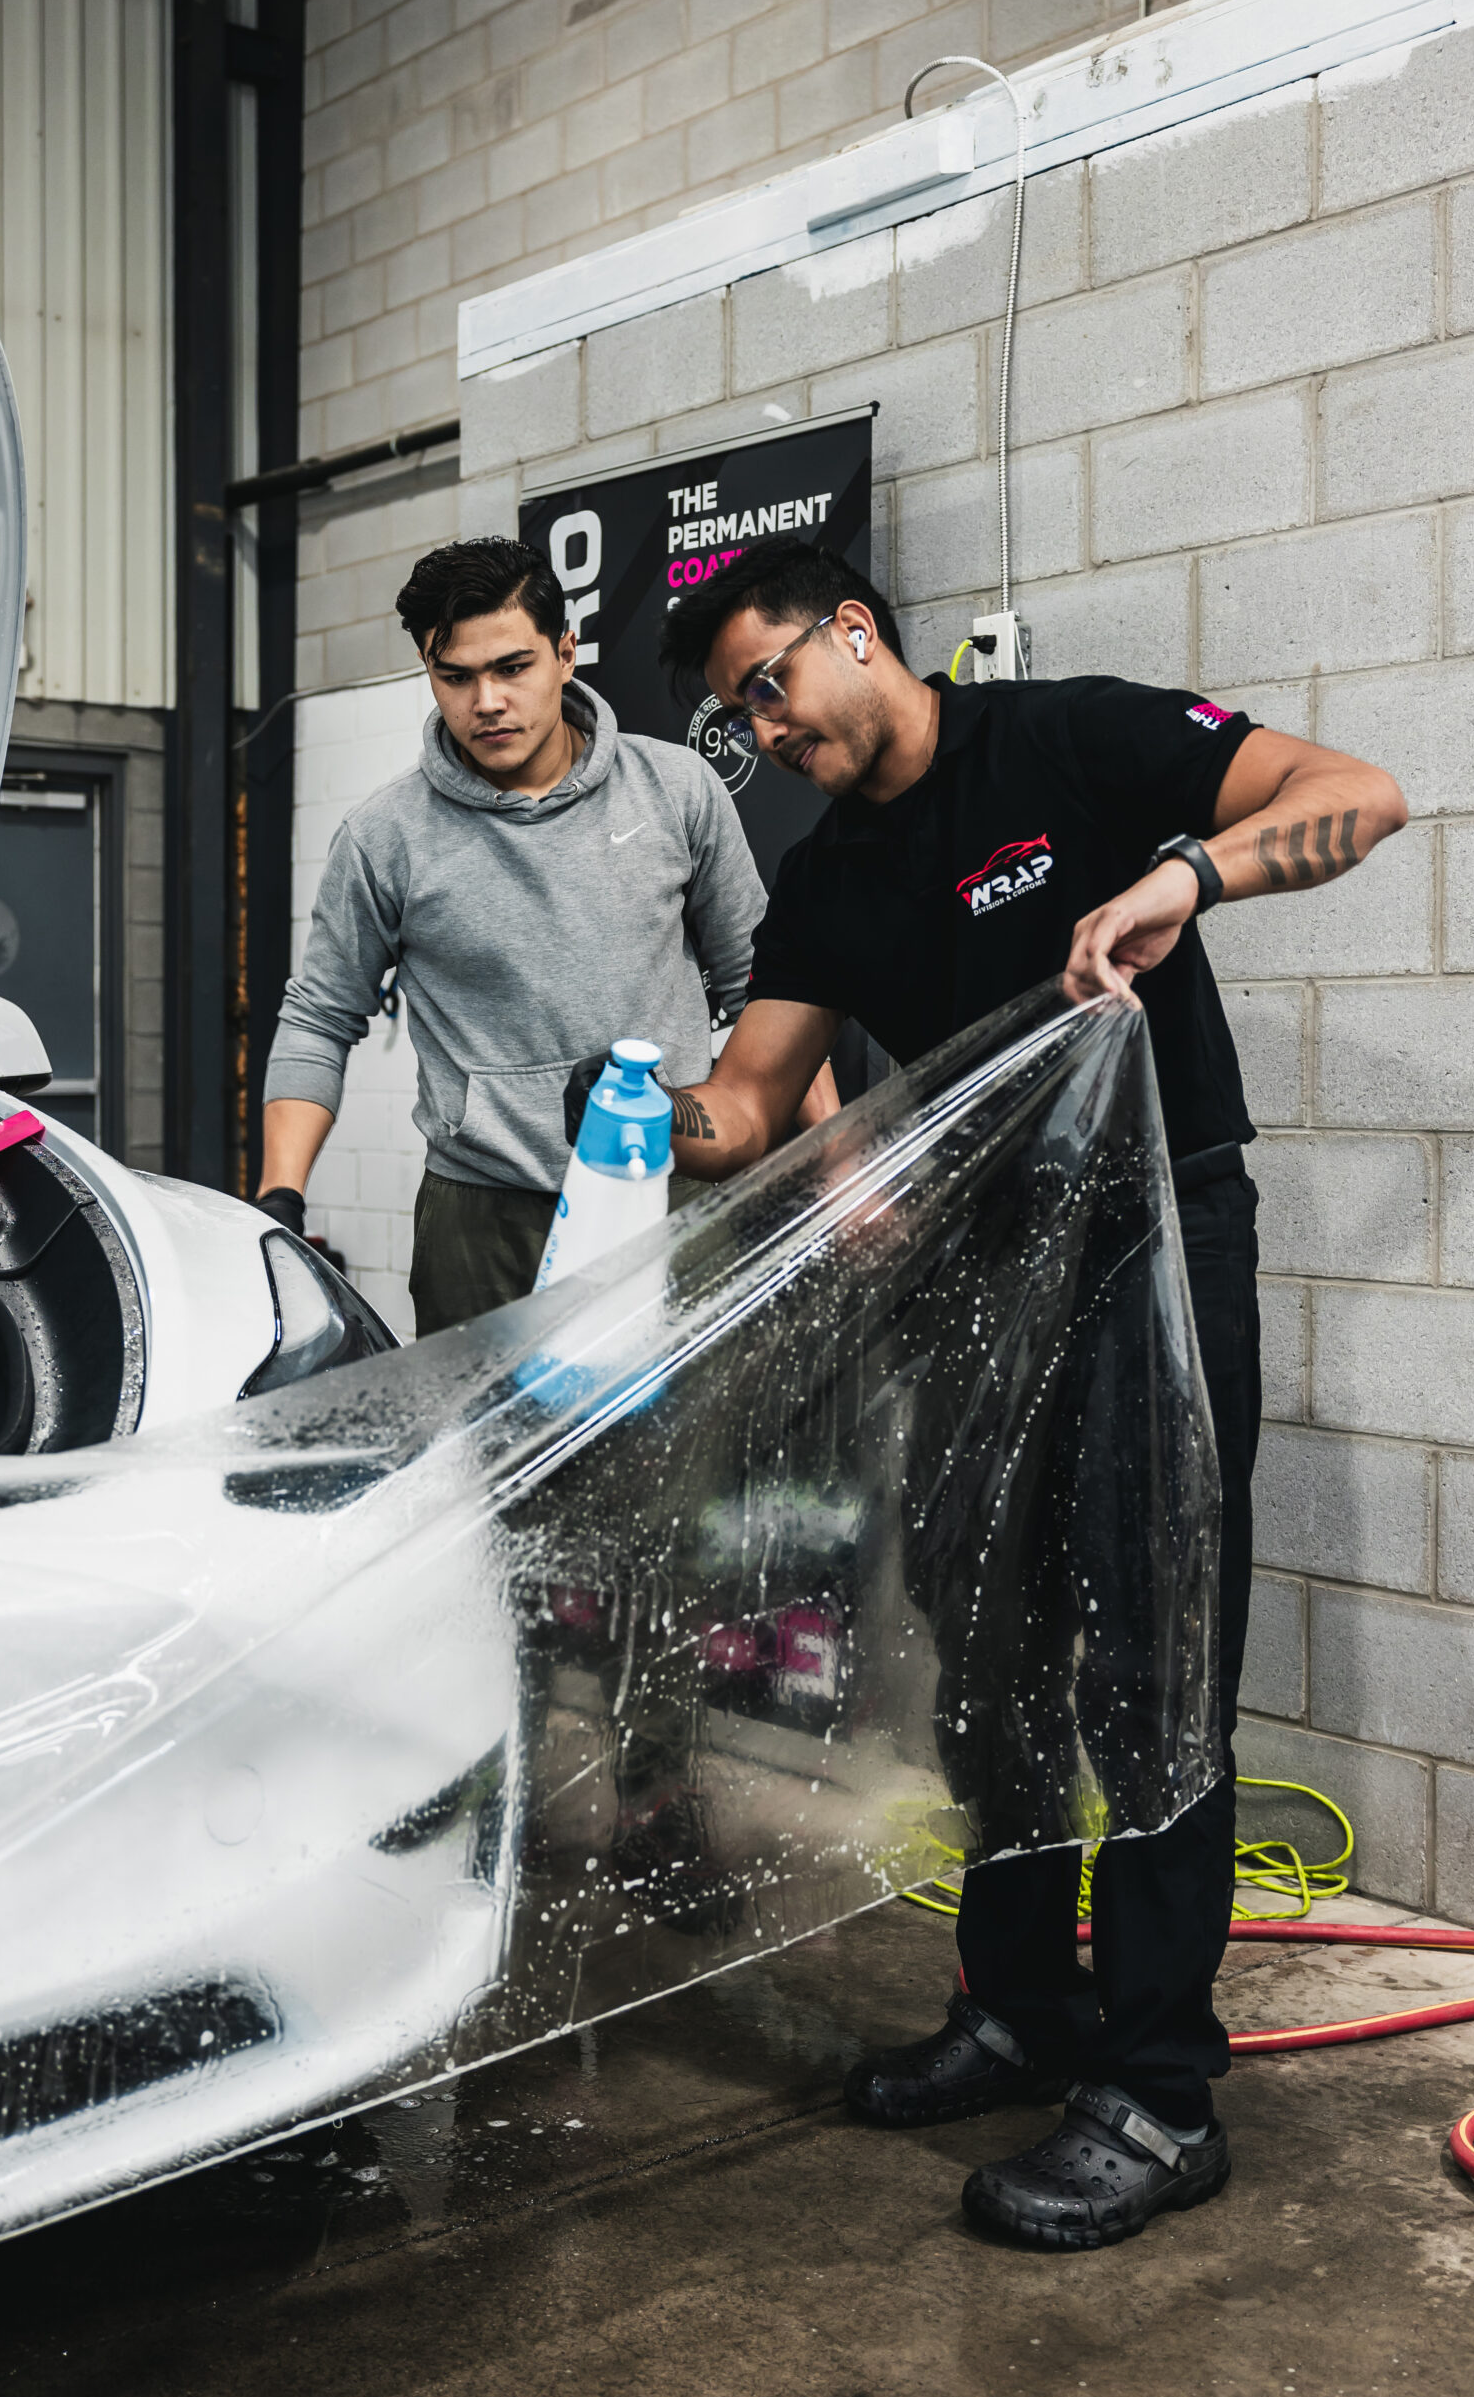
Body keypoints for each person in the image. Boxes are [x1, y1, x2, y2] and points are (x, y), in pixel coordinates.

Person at [647, 536, 1408, 2250]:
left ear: (854, 633)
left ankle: (1151, 2090)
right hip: (976, 1281)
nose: (763, 728)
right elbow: (749, 1106)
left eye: (769, 682)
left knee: (1148, 1647)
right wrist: (629, 1106)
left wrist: (1187, 882)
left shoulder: (1065, 744)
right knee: (981, 1628)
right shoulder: (830, 875)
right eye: (734, 716)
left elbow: (1358, 795)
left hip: (1153, 1240)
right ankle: (1021, 2006)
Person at [257, 536, 832, 1337]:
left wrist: (835, 1162)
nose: (484, 701)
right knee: (491, 1461)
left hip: (671, 1185)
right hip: (481, 1219)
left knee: (678, 1459)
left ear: (565, 653)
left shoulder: (675, 789)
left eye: (511, 668)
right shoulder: (383, 838)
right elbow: (318, 1019)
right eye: (453, 676)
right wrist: (279, 1199)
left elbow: (768, 990)